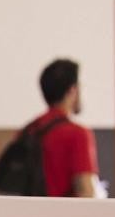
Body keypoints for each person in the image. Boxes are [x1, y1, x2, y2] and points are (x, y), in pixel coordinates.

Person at [28, 58, 101, 197]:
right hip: (63, 216)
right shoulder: (78, 134)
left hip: (28, 216)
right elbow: (86, 192)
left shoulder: (28, 130)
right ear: (72, 90)